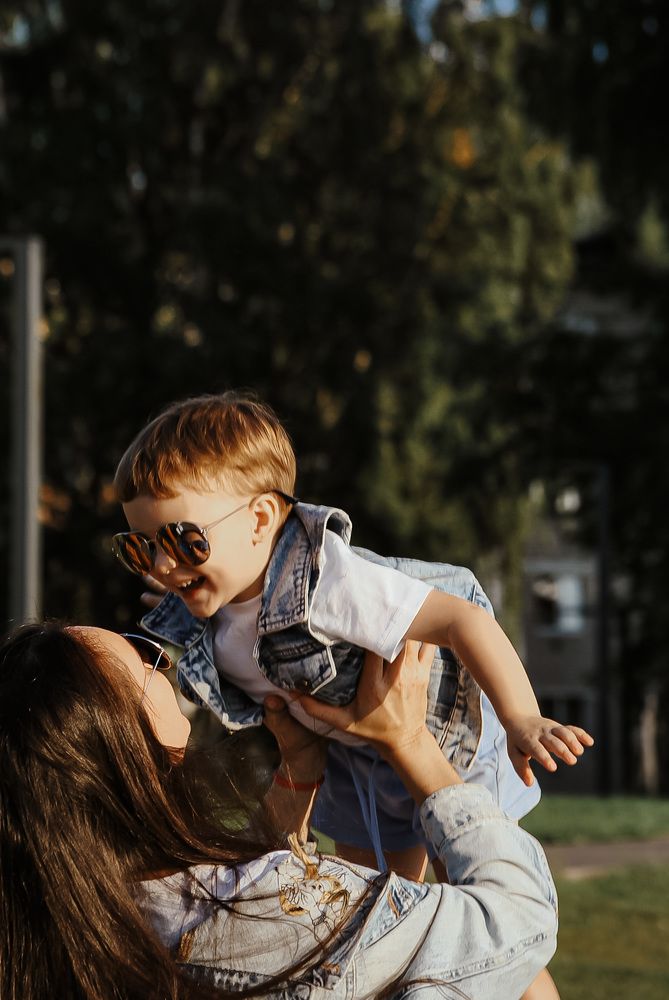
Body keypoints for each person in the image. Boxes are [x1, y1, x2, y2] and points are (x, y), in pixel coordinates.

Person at [112, 392, 590, 999]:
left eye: (183, 541)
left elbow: (461, 619)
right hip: (347, 765)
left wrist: (522, 716)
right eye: (141, 547)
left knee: (479, 927)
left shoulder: (326, 582)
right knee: (373, 918)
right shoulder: (202, 612)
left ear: (261, 520)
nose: (161, 565)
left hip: (440, 736)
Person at [0, 623, 558, 999]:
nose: (164, 663)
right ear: (119, 740)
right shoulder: (252, 911)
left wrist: (297, 767)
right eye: (146, 661)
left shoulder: (61, 917)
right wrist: (411, 742)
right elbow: (512, 923)